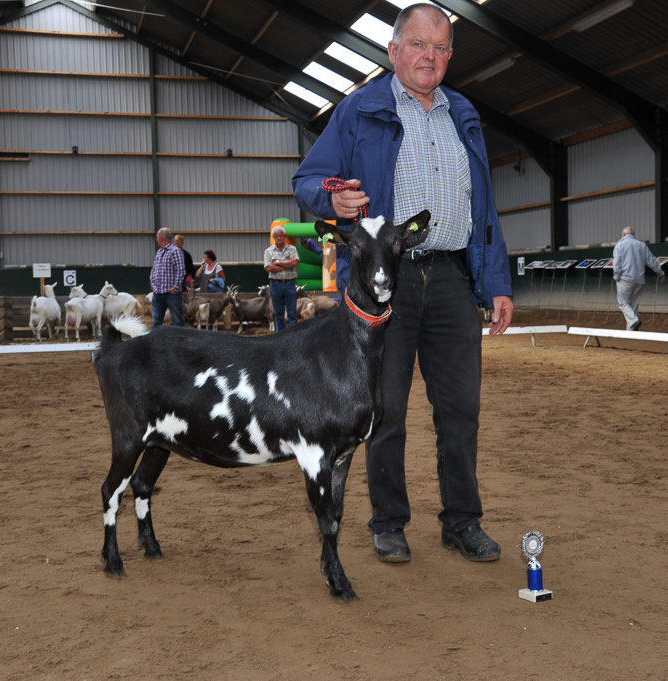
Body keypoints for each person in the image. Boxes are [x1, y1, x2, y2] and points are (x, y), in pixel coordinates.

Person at [292, 3, 513, 565]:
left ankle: (462, 521)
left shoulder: (463, 114)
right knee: (385, 409)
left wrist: (496, 283)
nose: (430, 57)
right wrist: (332, 198)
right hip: (381, 283)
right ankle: (389, 522)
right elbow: (308, 180)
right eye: (419, 45)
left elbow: (482, 208)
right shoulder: (359, 110)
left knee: (461, 410)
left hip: (452, 278)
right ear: (393, 51)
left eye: (441, 49)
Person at [612, 226, 665, 331]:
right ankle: (631, 332)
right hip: (640, 280)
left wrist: (616, 276)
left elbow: (617, 263)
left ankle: (633, 321)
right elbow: (652, 261)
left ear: (623, 234)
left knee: (623, 303)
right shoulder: (642, 245)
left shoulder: (620, 245)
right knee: (633, 305)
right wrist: (661, 273)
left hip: (625, 279)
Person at [264, 225, 299, 331]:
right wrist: (288, 264)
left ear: (284, 236)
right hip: (275, 284)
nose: (279, 238)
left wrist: (278, 263)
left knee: (292, 313)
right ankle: (280, 336)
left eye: (281, 235)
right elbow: (268, 268)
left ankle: (293, 336)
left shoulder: (292, 249)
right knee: (278, 313)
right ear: (273, 237)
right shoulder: (268, 251)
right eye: (276, 236)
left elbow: (295, 262)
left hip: (290, 283)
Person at [149, 228, 186, 327]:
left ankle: (181, 341)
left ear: (162, 237)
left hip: (171, 294)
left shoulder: (175, 251)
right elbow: (154, 270)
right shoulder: (159, 252)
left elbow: (181, 270)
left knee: (178, 321)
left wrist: (176, 288)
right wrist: (153, 285)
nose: (156, 239)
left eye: (157, 237)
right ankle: (156, 342)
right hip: (158, 293)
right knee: (156, 322)